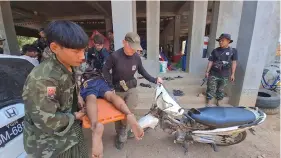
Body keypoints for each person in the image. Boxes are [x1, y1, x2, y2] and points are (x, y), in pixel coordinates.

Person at [22, 20, 96, 158]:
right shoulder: (43, 80)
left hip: (70, 134)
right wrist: (74, 116)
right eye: (76, 51)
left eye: (83, 50)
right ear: (55, 47)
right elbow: (47, 121)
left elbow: (69, 87)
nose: (82, 57)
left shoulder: (69, 64)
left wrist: (77, 97)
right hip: (52, 146)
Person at [102, 32, 163, 149]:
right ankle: (119, 131)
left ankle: (123, 132)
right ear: (124, 43)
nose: (133, 50)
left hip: (131, 88)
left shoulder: (136, 57)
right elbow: (105, 70)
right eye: (131, 47)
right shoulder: (114, 56)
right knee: (118, 114)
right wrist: (109, 86)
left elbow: (142, 71)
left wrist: (154, 80)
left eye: (135, 48)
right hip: (117, 89)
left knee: (128, 112)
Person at [205, 33, 238, 106]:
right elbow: (211, 61)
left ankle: (219, 101)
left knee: (221, 89)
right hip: (213, 73)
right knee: (211, 88)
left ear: (228, 41)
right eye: (220, 41)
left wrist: (233, 74)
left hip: (224, 74)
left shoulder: (233, 51)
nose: (220, 42)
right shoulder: (215, 51)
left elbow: (234, 63)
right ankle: (209, 102)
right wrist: (207, 72)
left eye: (223, 40)